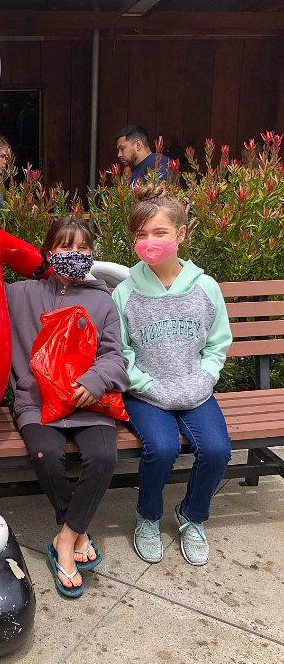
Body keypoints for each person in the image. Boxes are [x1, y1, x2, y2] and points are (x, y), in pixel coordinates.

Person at [6, 218, 130, 598]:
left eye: (82, 248)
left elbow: (115, 356)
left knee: (103, 457)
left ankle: (65, 538)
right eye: (65, 247)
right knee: (45, 455)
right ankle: (77, 533)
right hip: (38, 401)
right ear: (48, 253)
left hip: (89, 403)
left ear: (91, 254)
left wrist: (95, 380)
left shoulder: (102, 301)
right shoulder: (19, 295)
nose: (74, 254)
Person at [112, 184, 232, 567]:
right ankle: (148, 516)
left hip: (195, 390)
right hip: (146, 394)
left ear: (181, 234)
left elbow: (218, 343)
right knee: (161, 449)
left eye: (160, 232)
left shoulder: (205, 287)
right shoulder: (125, 292)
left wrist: (204, 379)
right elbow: (120, 351)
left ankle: (192, 515)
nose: (150, 242)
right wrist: (146, 385)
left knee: (217, 450)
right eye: (141, 234)